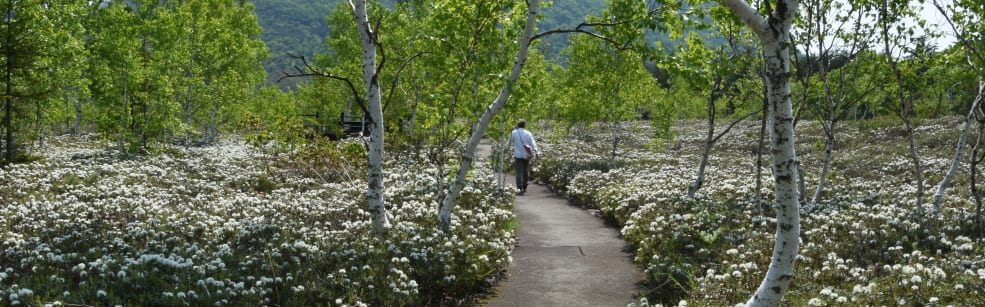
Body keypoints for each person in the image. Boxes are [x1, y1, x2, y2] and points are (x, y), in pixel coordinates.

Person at [509, 120, 539, 194]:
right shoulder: (528, 133)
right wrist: (537, 152)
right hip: (526, 155)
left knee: (519, 172)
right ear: (524, 126)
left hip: (518, 155)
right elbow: (533, 143)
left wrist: (504, 149)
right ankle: (524, 186)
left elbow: (508, 143)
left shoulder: (514, 133)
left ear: (518, 125)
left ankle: (519, 187)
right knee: (525, 171)